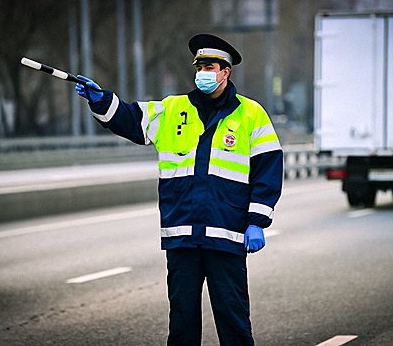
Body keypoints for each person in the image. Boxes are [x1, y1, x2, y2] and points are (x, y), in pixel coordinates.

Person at [76, 33, 283, 345]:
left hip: (226, 236)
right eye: (199, 66)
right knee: (182, 323)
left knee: (234, 321)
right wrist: (100, 99)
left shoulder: (251, 115)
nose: (202, 73)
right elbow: (130, 119)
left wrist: (257, 221)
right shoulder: (172, 110)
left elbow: (269, 169)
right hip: (181, 236)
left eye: (209, 66)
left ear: (225, 72)